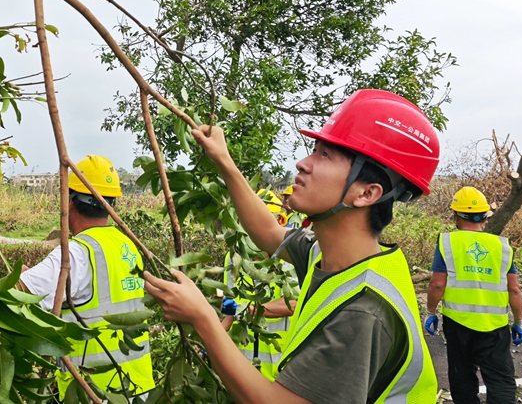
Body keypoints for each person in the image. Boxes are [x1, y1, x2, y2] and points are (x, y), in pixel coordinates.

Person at [142, 89, 440, 404]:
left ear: (366, 193)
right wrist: (224, 161)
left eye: (325, 155)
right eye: (314, 149)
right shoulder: (328, 256)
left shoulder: (364, 312)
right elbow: (269, 231)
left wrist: (203, 319)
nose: (302, 163)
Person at [19, 155, 155, 400]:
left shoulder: (75, 253)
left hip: (94, 392)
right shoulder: (129, 246)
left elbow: (20, 293)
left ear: (70, 202)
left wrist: (21, 277)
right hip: (137, 387)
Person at [424, 186, 522, 404]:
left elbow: (437, 284)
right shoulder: (501, 246)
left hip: (458, 324)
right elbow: (514, 289)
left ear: (456, 215)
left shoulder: (448, 243)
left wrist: (430, 312)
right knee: (500, 380)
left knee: (462, 379)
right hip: (494, 326)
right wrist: (519, 321)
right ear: (485, 216)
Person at [220, 189, 299, 381]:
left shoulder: (289, 257)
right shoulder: (233, 258)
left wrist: (252, 309)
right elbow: (229, 305)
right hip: (244, 367)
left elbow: (295, 303)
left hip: (280, 368)